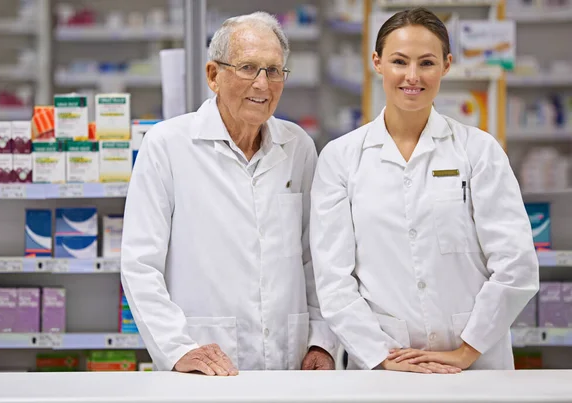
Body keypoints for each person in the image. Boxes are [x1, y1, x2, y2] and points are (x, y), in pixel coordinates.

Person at [310, 7, 539, 374]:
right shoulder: (341, 158)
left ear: (446, 65)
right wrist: (381, 355)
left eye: (427, 63)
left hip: (475, 367)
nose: (412, 76)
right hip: (383, 367)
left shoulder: (478, 151)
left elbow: (517, 265)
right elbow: (334, 280)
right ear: (377, 63)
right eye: (399, 61)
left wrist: (467, 350)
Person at [120, 11, 337, 376]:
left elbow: (314, 256)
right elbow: (140, 265)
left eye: (273, 70)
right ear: (213, 75)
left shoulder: (298, 146)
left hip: (290, 364)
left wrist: (321, 340)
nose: (262, 84)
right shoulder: (168, 145)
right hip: (205, 366)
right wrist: (176, 349)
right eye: (248, 67)